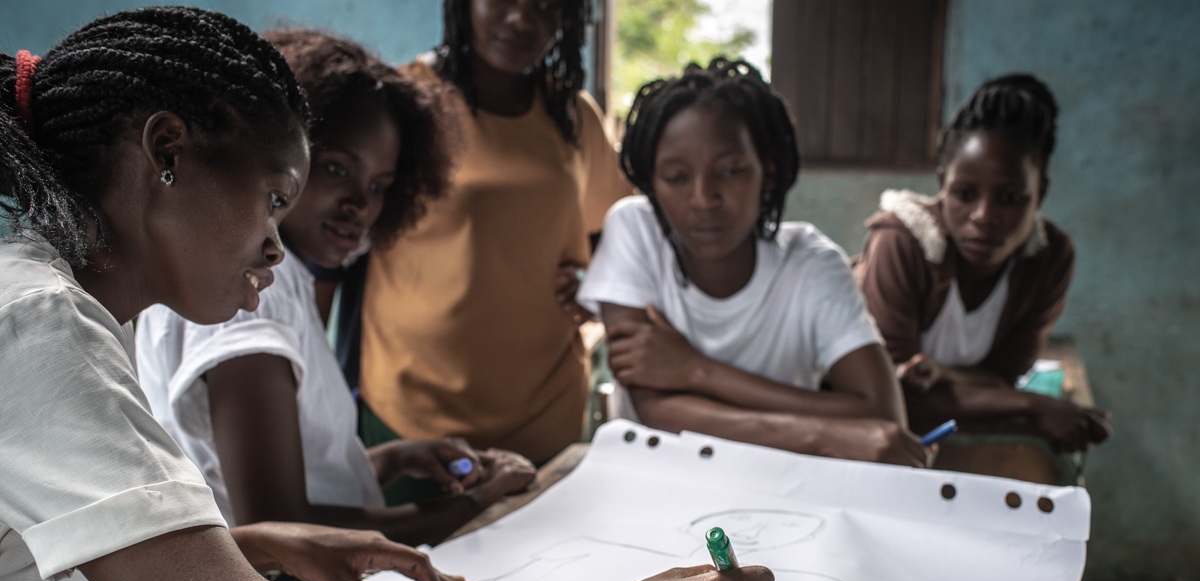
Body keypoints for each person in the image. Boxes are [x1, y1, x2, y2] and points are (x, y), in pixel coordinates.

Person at [0, 10, 784, 581]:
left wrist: (252, 543)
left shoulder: (76, 302)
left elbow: (48, 552)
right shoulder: (38, 318)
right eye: (274, 198)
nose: (277, 245)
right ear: (166, 153)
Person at [136, 29, 535, 544]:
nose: (360, 204)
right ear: (284, 159)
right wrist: (477, 504)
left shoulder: (284, 278)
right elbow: (278, 526)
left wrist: (391, 460)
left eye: (378, 186)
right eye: (336, 169)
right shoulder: (252, 292)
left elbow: (281, 471)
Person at [577, 59, 928, 468]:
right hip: (660, 482)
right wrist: (822, 434)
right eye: (675, 177)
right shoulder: (635, 229)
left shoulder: (812, 265)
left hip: (783, 487)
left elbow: (883, 416)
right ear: (651, 184)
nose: (703, 198)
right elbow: (658, 411)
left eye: (730, 171)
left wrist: (697, 371)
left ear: (769, 173)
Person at [355, 0, 632, 492]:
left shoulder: (571, 112)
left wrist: (593, 289)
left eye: (548, 6)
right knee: (411, 564)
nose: (523, 18)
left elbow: (615, 232)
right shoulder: (404, 102)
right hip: (414, 418)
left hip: (548, 414)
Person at [855, 74, 1110, 453]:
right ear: (942, 182)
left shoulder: (1048, 259)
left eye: (1010, 198)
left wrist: (946, 377)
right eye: (964, 194)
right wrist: (1029, 404)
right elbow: (887, 397)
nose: (984, 216)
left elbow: (1003, 375)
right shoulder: (902, 243)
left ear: (1040, 192)